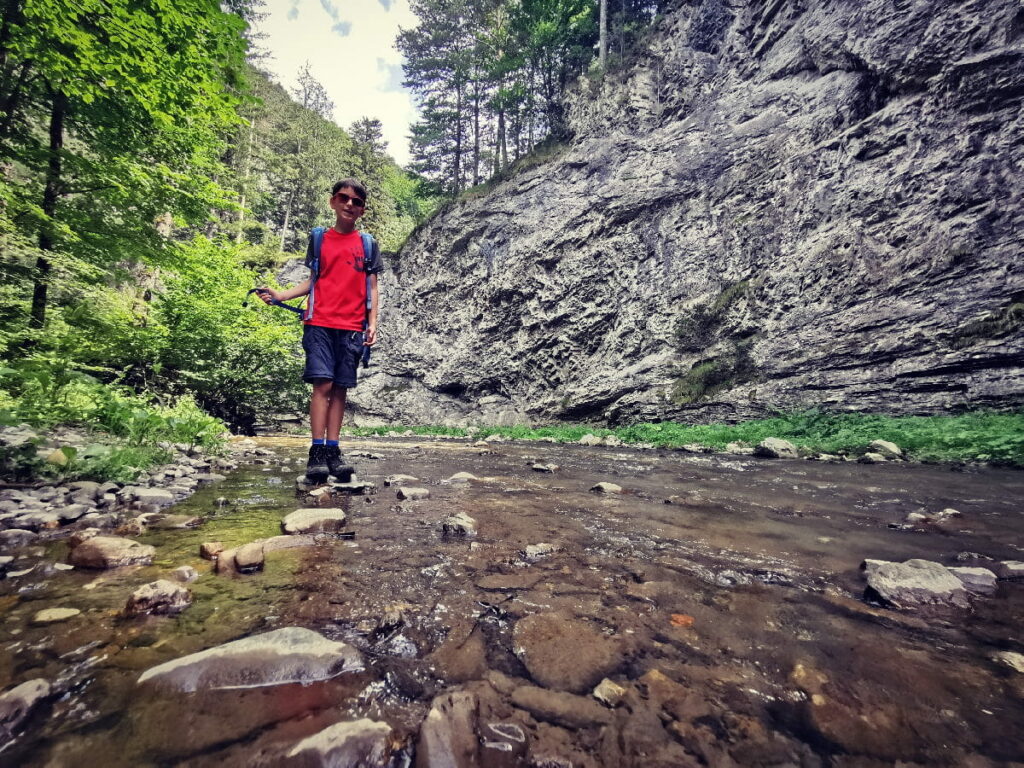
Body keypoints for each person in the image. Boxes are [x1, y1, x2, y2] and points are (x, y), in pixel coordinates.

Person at [259, 178, 382, 482]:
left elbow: (373, 288)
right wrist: (281, 295)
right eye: (344, 198)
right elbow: (313, 280)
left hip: (353, 327)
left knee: (340, 388)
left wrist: (373, 323)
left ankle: (333, 451)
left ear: (362, 210)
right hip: (319, 323)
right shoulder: (319, 240)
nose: (349, 204)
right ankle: (316, 452)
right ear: (333, 202)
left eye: (356, 201)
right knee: (322, 386)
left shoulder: (368, 245)